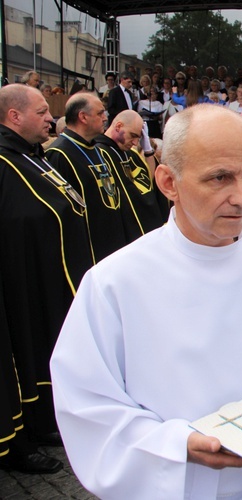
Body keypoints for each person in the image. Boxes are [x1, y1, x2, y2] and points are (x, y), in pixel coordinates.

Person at [50, 104, 242, 499]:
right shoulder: (115, 282)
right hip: (172, 484)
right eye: (220, 178)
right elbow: (88, 405)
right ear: (168, 182)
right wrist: (177, 444)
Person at [0, 84, 93, 474]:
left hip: (51, 272)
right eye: (41, 112)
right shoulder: (5, 160)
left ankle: (41, 423)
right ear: (14, 116)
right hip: (20, 278)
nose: (50, 118)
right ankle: (17, 442)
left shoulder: (31, 156)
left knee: (44, 346)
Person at [46, 91, 129, 262]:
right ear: (83, 117)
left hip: (112, 241)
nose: (105, 118)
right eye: (100, 113)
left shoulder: (98, 149)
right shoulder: (59, 154)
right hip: (89, 248)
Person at [94, 110, 169, 240]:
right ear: (118, 126)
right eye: (133, 135)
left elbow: (148, 181)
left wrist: (148, 151)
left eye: (138, 138)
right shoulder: (99, 152)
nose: (135, 142)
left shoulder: (130, 153)